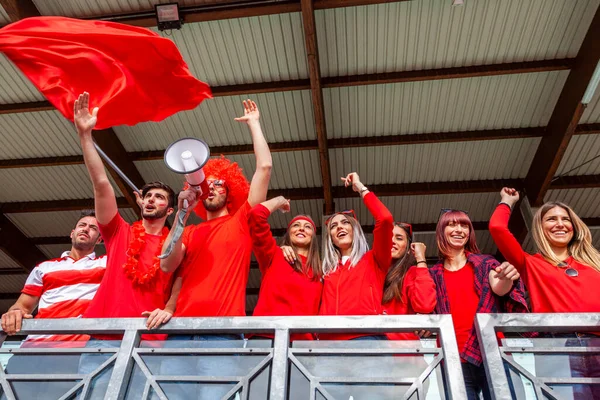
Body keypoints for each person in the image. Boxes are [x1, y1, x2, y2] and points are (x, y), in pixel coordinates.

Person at [157, 99, 271, 400]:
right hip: (178, 333)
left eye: (220, 184)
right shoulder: (190, 230)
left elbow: (265, 168)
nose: (213, 188)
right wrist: (181, 213)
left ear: (231, 191)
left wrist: (254, 125)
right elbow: (167, 265)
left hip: (223, 333)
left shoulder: (242, 221)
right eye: (209, 184)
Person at [74, 92, 179, 396]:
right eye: (148, 195)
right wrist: (85, 136)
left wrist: (170, 308)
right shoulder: (119, 231)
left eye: (159, 197)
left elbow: (180, 282)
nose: (152, 199)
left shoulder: (177, 242)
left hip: (150, 340)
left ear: (169, 210)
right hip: (103, 337)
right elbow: (101, 184)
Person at [489, 188, 600, 400]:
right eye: (551, 219)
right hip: (557, 347)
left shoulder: (595, 264)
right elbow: (497, 227)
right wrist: (507, 201)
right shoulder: (531, 263)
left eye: (565, 219)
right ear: (540, 228)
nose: (560, 224)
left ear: (574, 227)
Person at [1, 211, 105, 400]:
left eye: (93, 228)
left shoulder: (107, 264)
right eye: (82, 225)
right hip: (32, 350)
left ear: (99, 240)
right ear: (72, 233)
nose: (86, 230)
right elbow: (22, 306)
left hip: (78, 352)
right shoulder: (44, 267)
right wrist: (13, 313)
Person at [430, 209, 527, 400]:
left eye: (464, 225)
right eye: (452, 224)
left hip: (491, 353)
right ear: (441, 231)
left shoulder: (484, 263)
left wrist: (506, 277)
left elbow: (499, 287)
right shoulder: (433, 274)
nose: (459, 230)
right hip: (452, 358)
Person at [318, 172, 394, 340]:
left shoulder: (374, 259)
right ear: (329, 236)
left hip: (366, 338)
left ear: (356, 230)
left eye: (345, 222)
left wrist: (360, 187)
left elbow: (385, 219)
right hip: (327, 345)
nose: (339, 227)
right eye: (334, 226)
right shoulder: (326, 271)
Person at [249, 196, 323, 340]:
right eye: (296, 225)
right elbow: (255, 215)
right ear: (288, 233)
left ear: (313, 237)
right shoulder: (274, 254)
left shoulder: (322, 272)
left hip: (303, 346)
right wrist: (280, 201)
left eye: (307, 227)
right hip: (266, 336)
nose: (301, 228)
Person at [382, 222, 436, 340]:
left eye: (399, 238)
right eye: (387, 236)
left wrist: (421, 259)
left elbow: (425, 305)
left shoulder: (411, 273)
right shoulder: (369, 272)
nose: (392, 241)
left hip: (403, 351)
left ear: (408, 249)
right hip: (369, 347)